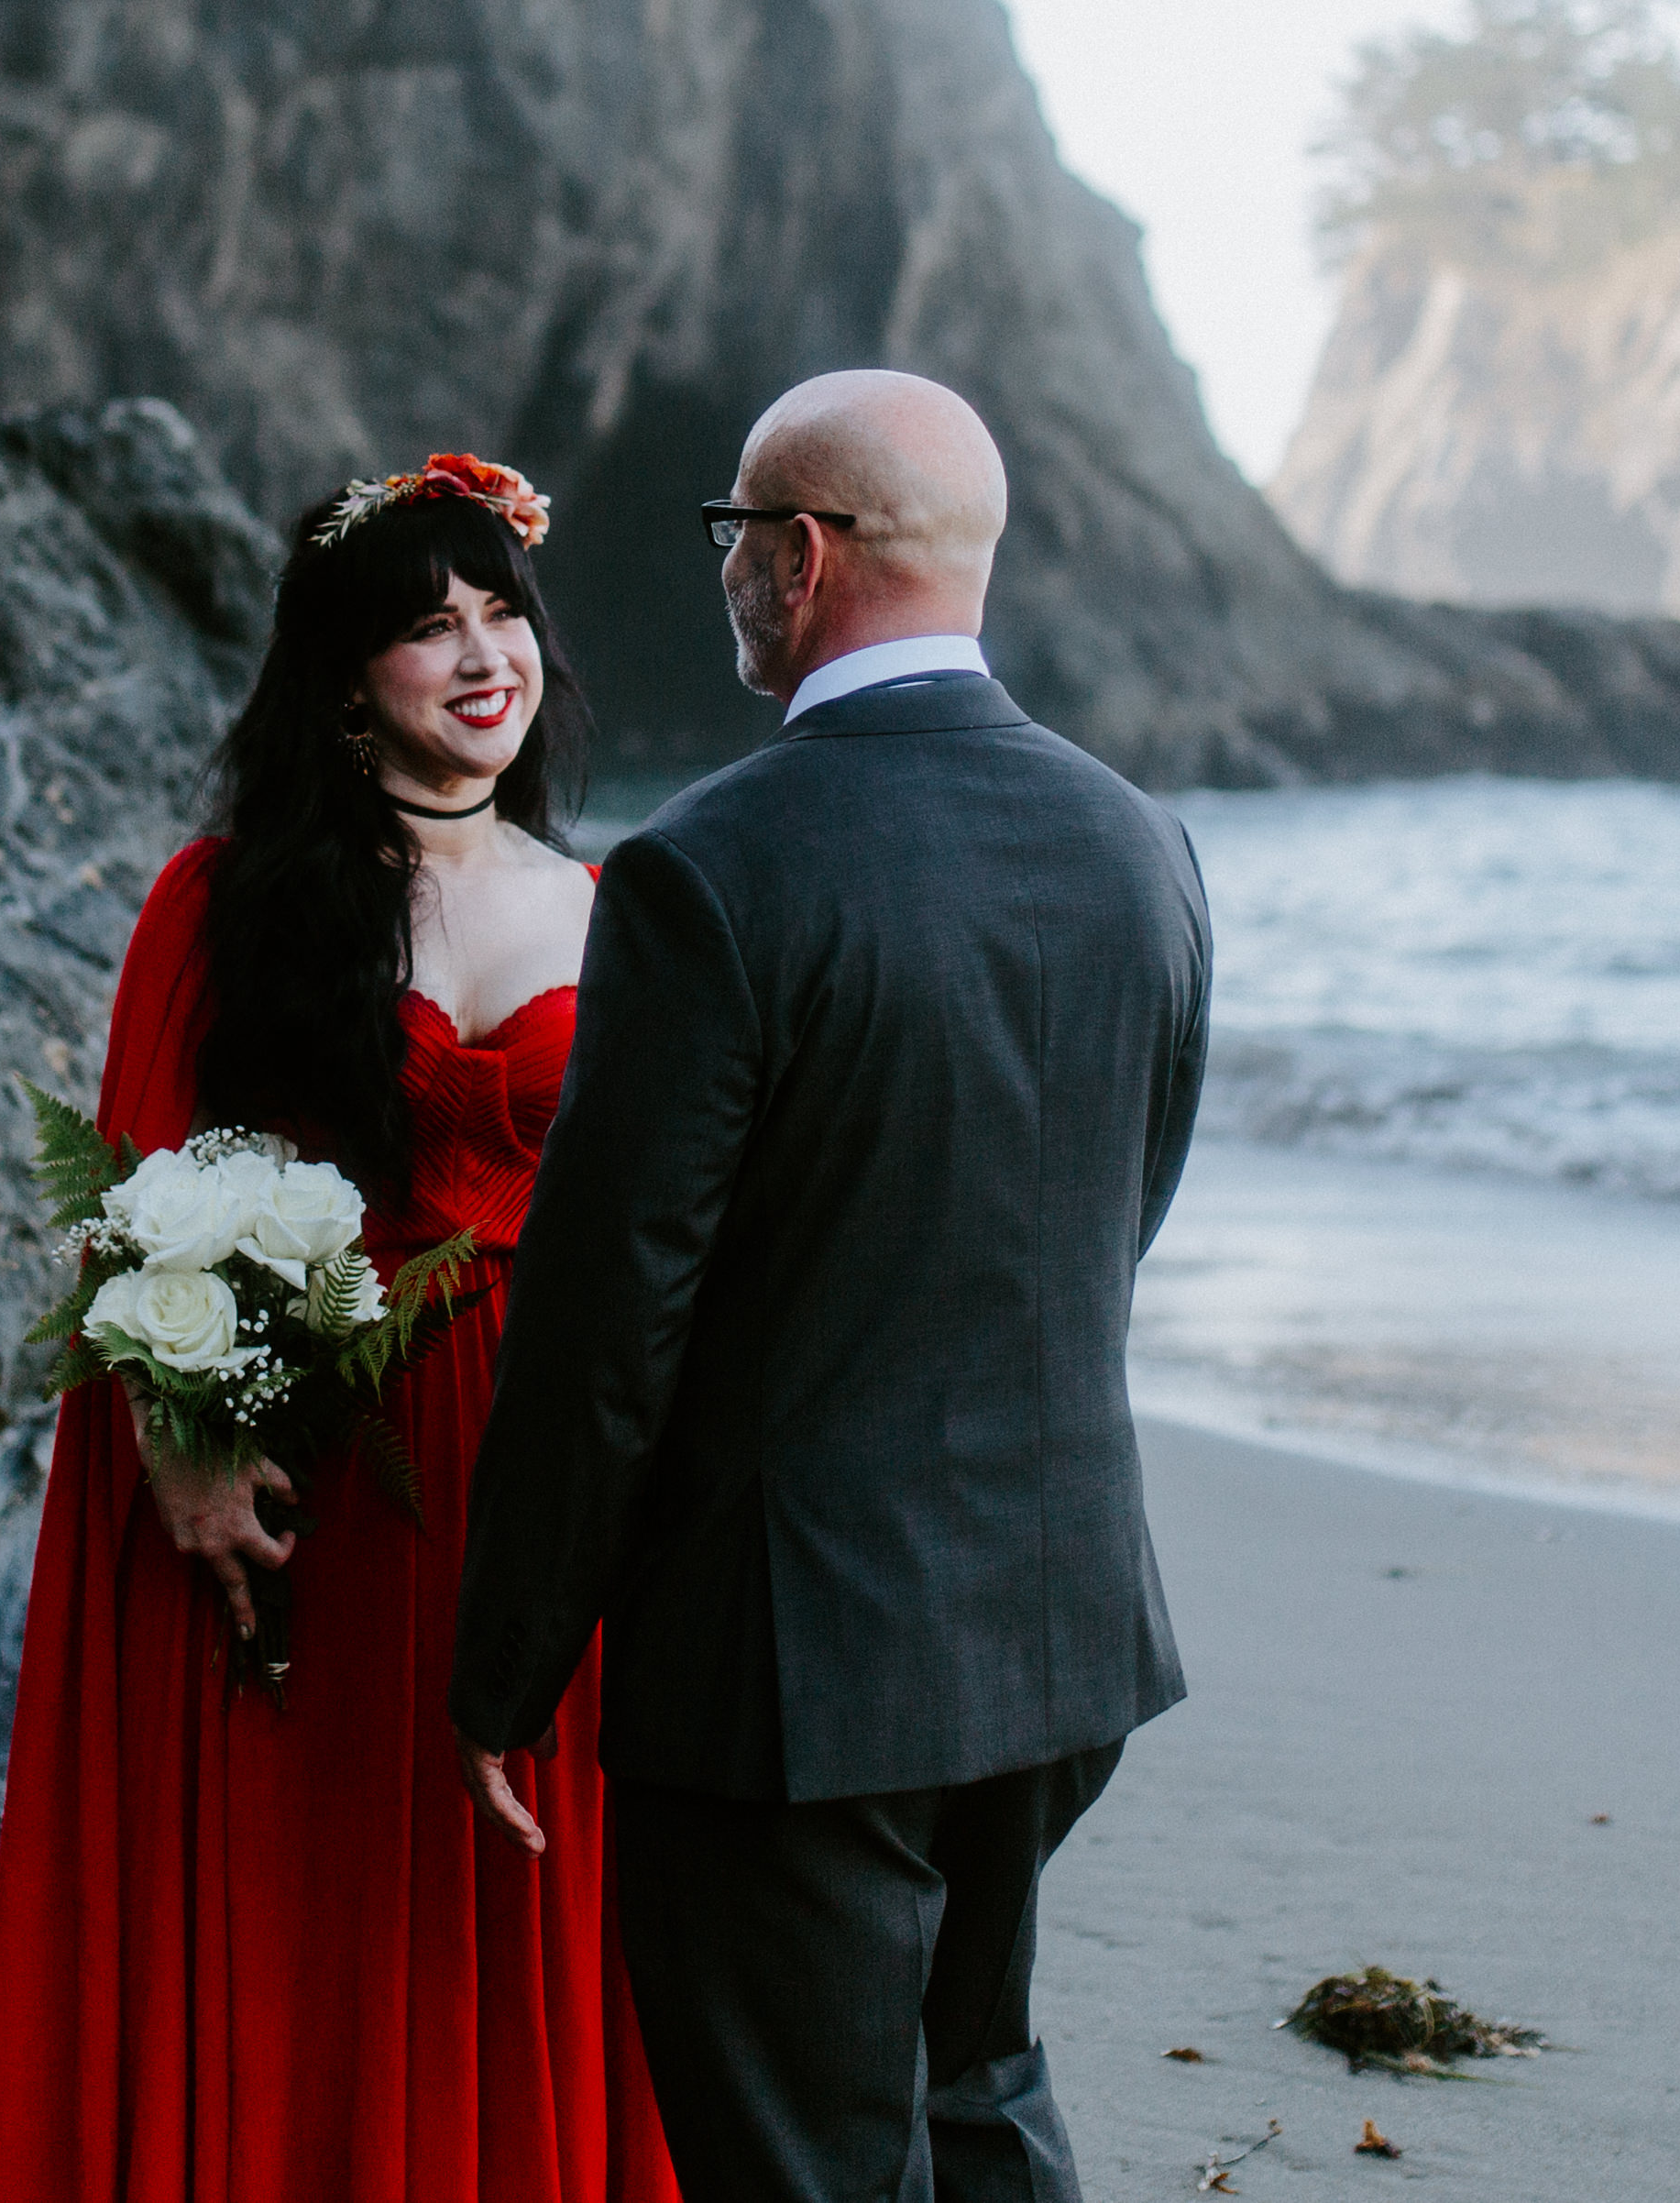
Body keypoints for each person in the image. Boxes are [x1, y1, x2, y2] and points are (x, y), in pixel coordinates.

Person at [449, 371, 1211, 2203]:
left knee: (804, 2160)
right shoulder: (1142, 844)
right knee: (980, 2085)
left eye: (735, 533)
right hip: (1059, 1625)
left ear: (800, 559)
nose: (722, 571)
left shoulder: (715, 864)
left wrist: (509, 1663)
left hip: (798, 1672)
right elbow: (1117, 1210)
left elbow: (612, 1311)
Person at [0, 454, 675, 2203]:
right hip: (302, 1475)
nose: (480, 650)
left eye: (501, 609)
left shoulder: (611, 913)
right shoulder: (221, 898)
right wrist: (181, 1452)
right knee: (301, 1893)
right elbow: (129, 1195)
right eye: (425, 625)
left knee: (489, 1889)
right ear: (343, 674)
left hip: (532, 1480)